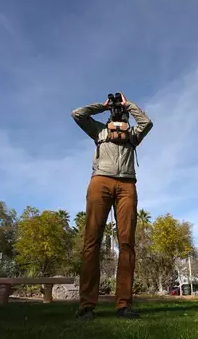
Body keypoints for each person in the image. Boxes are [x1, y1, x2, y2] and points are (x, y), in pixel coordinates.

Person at [71, 92, 153, 320]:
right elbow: (77, 114)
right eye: (116, 110)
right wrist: (103, 106)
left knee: (127, 243)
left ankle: (123, 305)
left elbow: (147, 122)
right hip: (100, 182)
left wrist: (130, 105)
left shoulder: (133, 135)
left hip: (127, 185)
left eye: (120, 110)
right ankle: (87, 306)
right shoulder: (99, 130)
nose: (118, 112)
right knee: (92, 241)